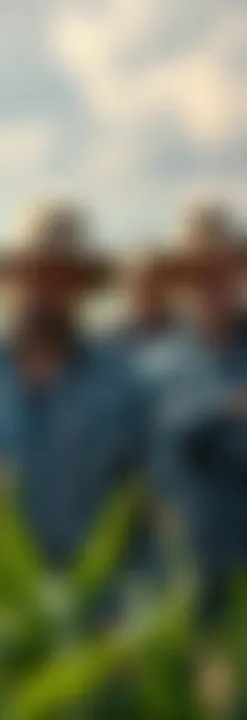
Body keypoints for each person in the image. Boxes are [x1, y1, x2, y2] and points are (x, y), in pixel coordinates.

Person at [0, 202, 153, 587]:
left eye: (58, 278)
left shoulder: (123, 384)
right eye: (31, 275)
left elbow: (148, 511)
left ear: (81, 287)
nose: (41, 291)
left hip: (95, 606)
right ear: (10, 280)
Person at [149, 203, 247, 619]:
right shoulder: (155, 362)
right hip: (181, 572)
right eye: (196, 271)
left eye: (219, 268)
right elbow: (156, 445)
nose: (209, 282)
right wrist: (224, 407)